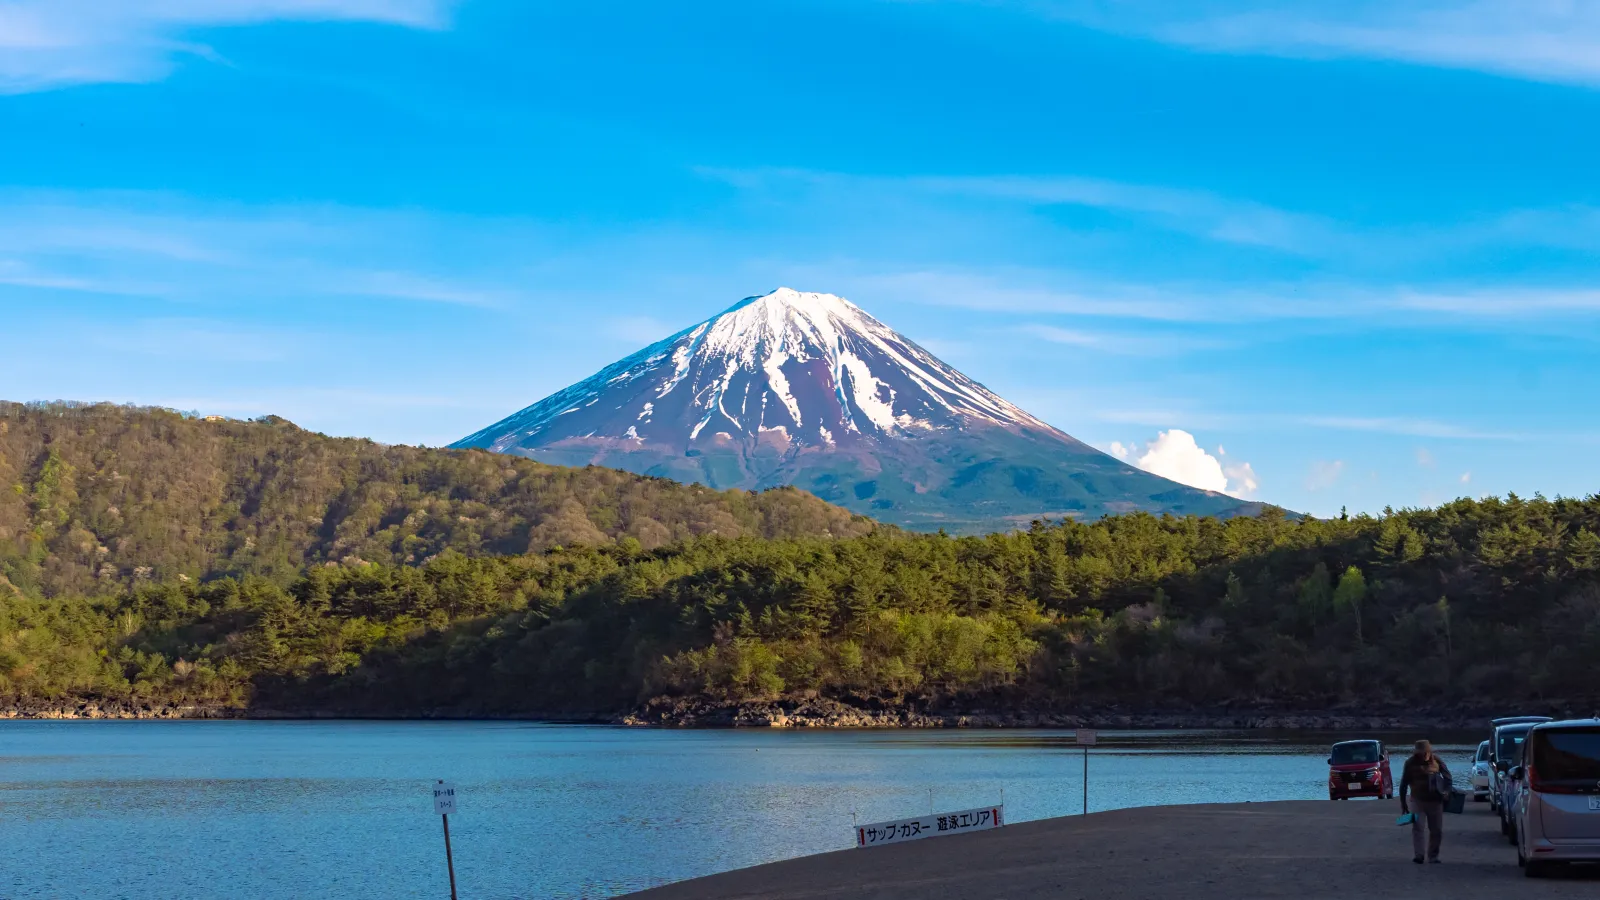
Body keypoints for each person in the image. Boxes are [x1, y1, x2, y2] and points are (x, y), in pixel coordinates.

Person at [1399, 739, 1452, 864]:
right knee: (1418, 827)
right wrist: (1403, 803)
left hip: (1435, 801)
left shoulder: (1437, 761)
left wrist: (1447, 792)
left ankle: (1433, 856)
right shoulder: (1410, 763)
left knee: (1436, 830)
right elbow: (1403, 784)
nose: (1423, 755)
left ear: (1429, 751)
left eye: (1425, 752)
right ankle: (1419, 855)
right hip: (1417, 800)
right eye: (1420, 752)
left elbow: (1448, 777)